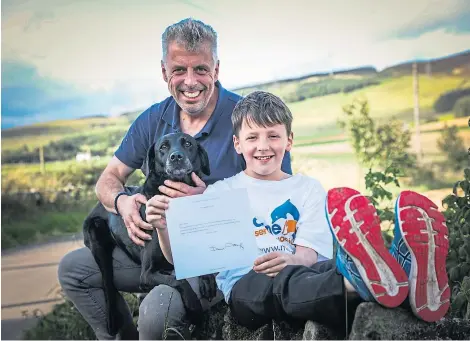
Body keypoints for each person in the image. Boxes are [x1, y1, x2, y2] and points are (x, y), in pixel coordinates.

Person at [58, 18, 292, 340]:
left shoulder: (247, 118)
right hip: (155, 254)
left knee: (156, 315)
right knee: (74, 270)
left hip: (216, 258)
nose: (190, 81)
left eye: (201, 69)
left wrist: (206, 205)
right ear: (165, 73)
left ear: (217, 69)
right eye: (179, 70)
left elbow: (278, 198)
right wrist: (121, 201)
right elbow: (109, 178)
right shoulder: (153, 118)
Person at [148, 90, 450, 336]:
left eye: (273, 136)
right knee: (281, 285)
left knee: (327, 267)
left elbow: (308, 254)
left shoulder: (307, 188)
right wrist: (163, 226)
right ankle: (373, 280)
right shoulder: (220, 194)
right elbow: (181, 258)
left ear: (289, 141)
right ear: (238, 144)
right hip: (246, 285)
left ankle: (398, 270)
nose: (263, 146)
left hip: (303, 269)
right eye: (252, 138)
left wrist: (290, 259)